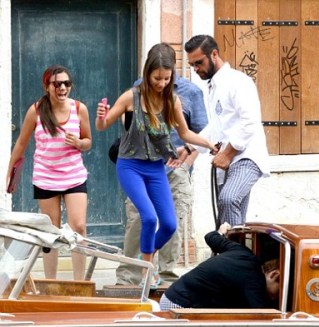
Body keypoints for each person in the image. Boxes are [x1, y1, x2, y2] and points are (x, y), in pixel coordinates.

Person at [96, 43, 217, 287]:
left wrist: (210, 144)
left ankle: (145, 261)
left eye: (166, 78)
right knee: (148, 218)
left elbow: (186, 133)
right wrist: (101, 115)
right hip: (130, 165)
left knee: (170, 224)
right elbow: (102, 126)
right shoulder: (132, 96)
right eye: (157, 78)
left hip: (157, 168)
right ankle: (145, 272)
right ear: (148, 73)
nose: (161, 83)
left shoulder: (173, 100)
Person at [6, 65, 91, 280]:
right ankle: (50, 282)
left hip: (74, 175)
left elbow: (88, 141)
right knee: (50, 232)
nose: (62, 88)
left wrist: (79, 142)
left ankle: (80, 283)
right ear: (47, 86)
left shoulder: (79, 109)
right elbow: (21, 145)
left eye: (66, 83)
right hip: (45, 178)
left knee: (78, 226)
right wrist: (10, 174)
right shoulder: (36, 111)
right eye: (57, 84)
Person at [184, 35, 270, 226]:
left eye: (199, 63)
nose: (196, 69)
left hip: (246, 156)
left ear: (214, 54)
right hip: (227, 161)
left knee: (228, 199)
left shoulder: (238, 81)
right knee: (229, 219)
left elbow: (250, 121)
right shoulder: (214, 86)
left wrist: (228, 153)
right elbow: (217, 127)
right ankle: (238, 253)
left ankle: (234, 252)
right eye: (192, 65)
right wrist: (190, 147)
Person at [159, 222, 280, 309]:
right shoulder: (255, 282)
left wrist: (221, 231)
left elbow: (211, 237)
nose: (276, 298)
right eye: (279, 291)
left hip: (171, 296)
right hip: (179, 306)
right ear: (274, 275)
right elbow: (262, 316)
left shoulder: (243, 252)